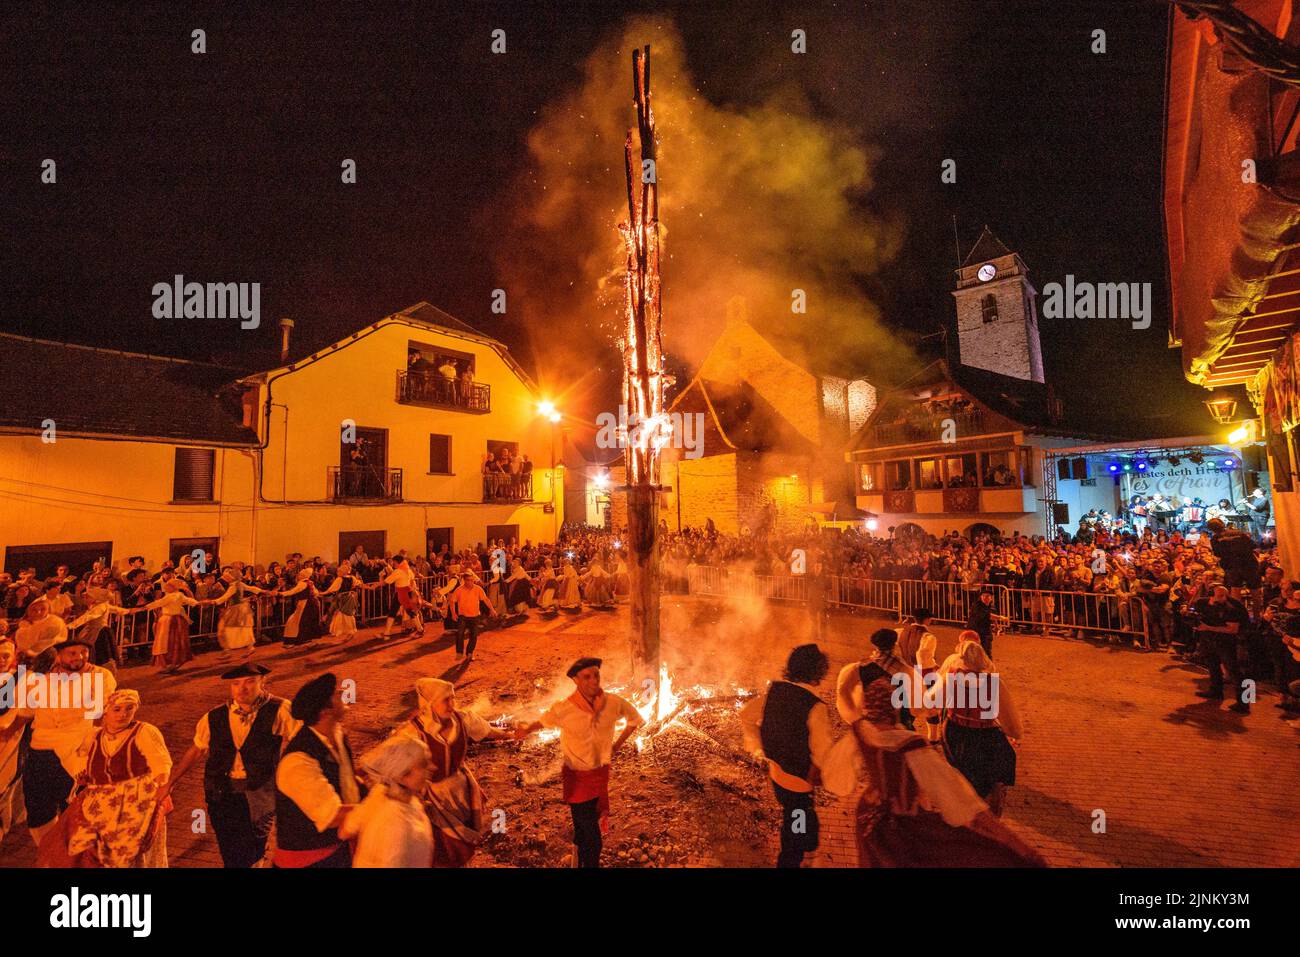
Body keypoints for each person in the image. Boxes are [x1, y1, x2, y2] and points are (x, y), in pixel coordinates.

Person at [834, 655, 1046, 867]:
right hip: (905, 826)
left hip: (871, 818)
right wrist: (1009, 840)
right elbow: (954, 793)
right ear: (895, 708)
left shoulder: (862, 733)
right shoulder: (912, 746)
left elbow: (837, 770)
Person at [513, 657, 644, 867]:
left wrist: (616, 745)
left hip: (600, 776)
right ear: (575, 680)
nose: (594, 681)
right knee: (594, 842)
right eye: (587, 677)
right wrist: (525, 729)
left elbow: (635, 720)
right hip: (577, 779)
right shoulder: (564, 708)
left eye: (596, 675)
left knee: (585, 829)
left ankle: (577, 857)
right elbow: (542, 722)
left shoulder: (613, 702)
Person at [163, 663, 296, 868]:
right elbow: (197, 749)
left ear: (263, 682)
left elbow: (300, 740)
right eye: (236, 684)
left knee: (255, 847)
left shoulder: (279, 709)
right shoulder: (214, 716)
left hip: (259, 791)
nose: (242, 688)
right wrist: (170, 782)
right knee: (229, 848)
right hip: (221, 792)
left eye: (250, 682)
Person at [397, 677, 513, 865]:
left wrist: (510, 734)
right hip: (434, 797)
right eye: (445, 699)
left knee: (464, 843)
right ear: (430, 703)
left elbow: (487, 731)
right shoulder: (413, 732)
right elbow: (391, 761)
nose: (451, 704)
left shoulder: (462, 719)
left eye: (453, 698)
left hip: (462, 790)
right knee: (442, 848)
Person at [741, 644, 835, 868]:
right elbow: (823, 749)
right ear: (818, 672)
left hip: (777, 775)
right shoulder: (815, 706)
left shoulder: (775, 691)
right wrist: (820, 769)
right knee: (795, 826)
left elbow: (745, 715)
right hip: (799, 782)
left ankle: (808, 853)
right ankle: (793, 861)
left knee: (802, 817)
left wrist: (757, 747)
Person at [17, 636, 116, 848]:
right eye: (72, 653)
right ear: (59, 655)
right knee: (38, 807)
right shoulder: (40, 680)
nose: (79, 657)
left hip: (78, 751)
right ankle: (49, 851)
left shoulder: (100, 676)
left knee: (77, 807)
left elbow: (101, 714)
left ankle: (77, 854)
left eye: (83, 652)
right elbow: (25, 713)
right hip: (42, 750)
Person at [63, 689, 172, 867]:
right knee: (86, 849)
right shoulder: (94, 736)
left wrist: (159, 789)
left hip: (136, 800)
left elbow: (162, 765)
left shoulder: (144, 732)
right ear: (106, 711)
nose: (123, 714)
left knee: (130, 851)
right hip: (101, 803)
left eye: (129, 709)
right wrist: (83, 776)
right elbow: (81, 763)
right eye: (117, 709)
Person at [274, 673, 363, 867]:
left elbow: (346, 780)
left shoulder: (337, 734)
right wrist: (385, 808)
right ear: (325, 713)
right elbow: (332, 816)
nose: (341, 692)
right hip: (310, 860)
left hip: (340, 850)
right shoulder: (298, 762)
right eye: (335, 694)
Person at [342, 735, 434, 868]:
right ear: (403, 776)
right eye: (424, 764)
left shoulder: (381, 793)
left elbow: (346, 829)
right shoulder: (397, 825)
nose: (433, 767)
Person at [1192, 585, 1252, 714]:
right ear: (1211, 595)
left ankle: (1245, 702)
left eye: (1225, 595)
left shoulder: (1232, 607)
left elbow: (1232, 629)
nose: (1224, 598)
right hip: (1210, 639)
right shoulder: (1203, 603)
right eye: (1220, 596)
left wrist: (1207, 628)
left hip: (1230, 641)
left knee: (1236, 671)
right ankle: (1216, 691)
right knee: (1213, 665)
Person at [140, 578, 199, 674]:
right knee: (175, 642)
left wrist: (144, 608)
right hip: (175, 620)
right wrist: (198, 603)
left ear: (173, 587)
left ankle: (169, 664)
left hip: (169, 621)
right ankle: (173, 663)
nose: (166, 587)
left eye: (169, 585)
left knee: (166, 642)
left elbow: (158, 603)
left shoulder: (172, 596)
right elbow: (190, 601)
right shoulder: (178, 595)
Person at [209, 569, 268, 658]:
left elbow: (224, 597)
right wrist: (263, 591)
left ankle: (227, 650)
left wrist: (212, 602)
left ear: (232, 577)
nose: (226, 577)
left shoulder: (233, 586)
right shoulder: (239, 584)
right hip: (242, 608)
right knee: (243, 629)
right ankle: (249, 647)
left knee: (223, 628)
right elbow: (252, 588)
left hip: (236, 609)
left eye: (228, 575)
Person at [0, 638, 23, 847]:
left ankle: (3, 830)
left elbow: (23, 713)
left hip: (9, 743)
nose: (1, 660)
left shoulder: (22, 678)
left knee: (4, 789)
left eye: (6, 655)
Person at [449, 571, 491, 662]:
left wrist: (492, 609)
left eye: (472, 580)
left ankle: (469, 653)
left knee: (474, 636)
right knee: (460, 634)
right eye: (468, 580)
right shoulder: (459, 590)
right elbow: (452, 601)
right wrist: (453, 613)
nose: (471, 582)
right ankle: (459, 653)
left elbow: (486, 599)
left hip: (475, 616)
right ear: (464, 580)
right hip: (463, 616)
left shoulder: (478, 589)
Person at [280, 568, 324, 646]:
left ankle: (292, 641)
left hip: (305, 604)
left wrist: (280, 594)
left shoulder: (302, 583)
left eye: (300, 574)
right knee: (307, 622)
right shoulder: (310, 583)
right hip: (312, 603)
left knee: (295, 621)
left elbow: (292, 591)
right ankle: (306, 639)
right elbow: (316, 593)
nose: (298, 576)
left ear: (303, 575)